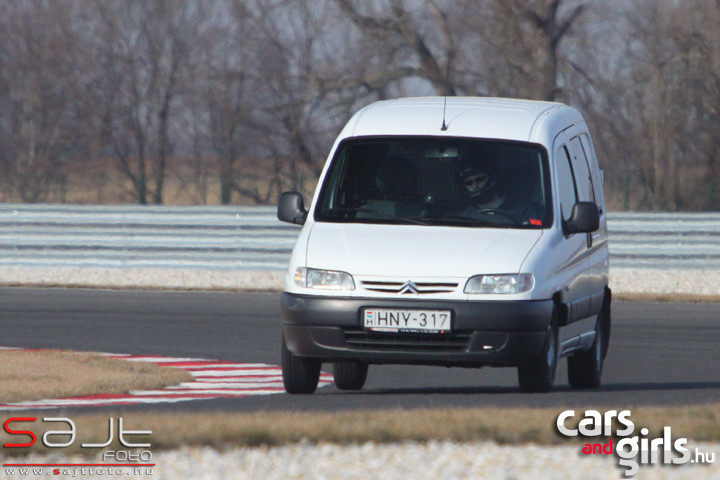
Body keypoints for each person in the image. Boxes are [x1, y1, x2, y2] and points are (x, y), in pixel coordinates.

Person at [458, 160, 543, 225]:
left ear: (491, 179)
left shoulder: (522, 209)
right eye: (469, 183)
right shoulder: (466, 215)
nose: (474, 186)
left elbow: (536, 228)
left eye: (480, 179)